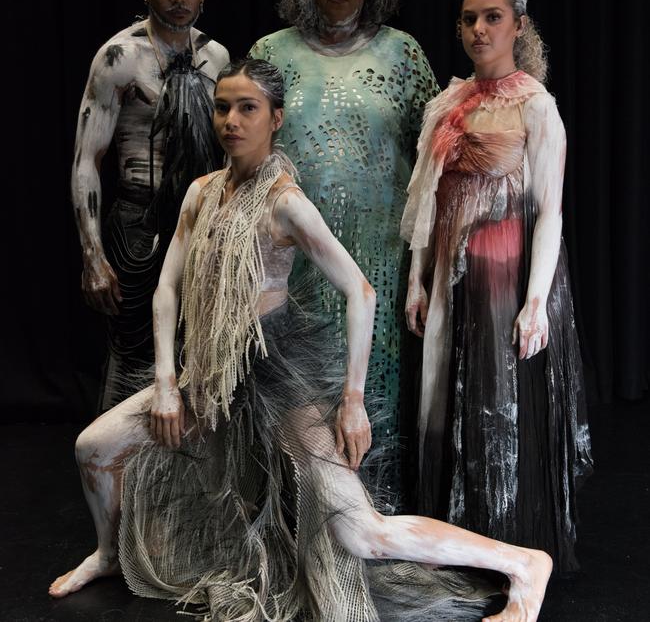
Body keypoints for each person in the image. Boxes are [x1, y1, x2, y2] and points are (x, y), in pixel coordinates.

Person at [50, 58, 552, 622]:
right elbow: (167, 290)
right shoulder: (202, 193)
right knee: (94, 448)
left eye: (248, 108)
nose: (231, 121)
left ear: (276, 118)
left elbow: (360, 293)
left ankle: (522, 563)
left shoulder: (284, 202)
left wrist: (353, 400)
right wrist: (167, 381)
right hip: (213, 374)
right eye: (222, 107)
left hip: (276, 373)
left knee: (359, 532)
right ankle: (109, 553)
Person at [401, 0, 593, 575]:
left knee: (495, 404)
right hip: (451, 276)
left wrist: (536, 302)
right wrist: (417, 279)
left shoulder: (535, 104)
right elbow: (428, 200)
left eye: (491, 18)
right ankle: (453, 540)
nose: (478, 30)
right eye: (468, 19)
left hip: (504, 277)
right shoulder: (448, 102)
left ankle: (503, 544)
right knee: (444, 400)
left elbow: (551, 211)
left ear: (518, 26)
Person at [249, 0, 437, 510]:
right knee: (300, 391)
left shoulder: (402, 53)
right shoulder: (270, 53)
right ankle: (297, 517)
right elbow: (246, 150)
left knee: (373, 390)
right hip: (294, 262)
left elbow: (432, 158)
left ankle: (377, 519)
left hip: (379, 256)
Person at [71, 0, 229, 408]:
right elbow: (86, 160)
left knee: (197, 350)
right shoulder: (119, 58)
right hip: (138, 225)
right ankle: (119, 471)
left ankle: (184, 475)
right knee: (132, 351)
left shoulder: (216, 58)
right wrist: (93, 256)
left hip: (200, 221)